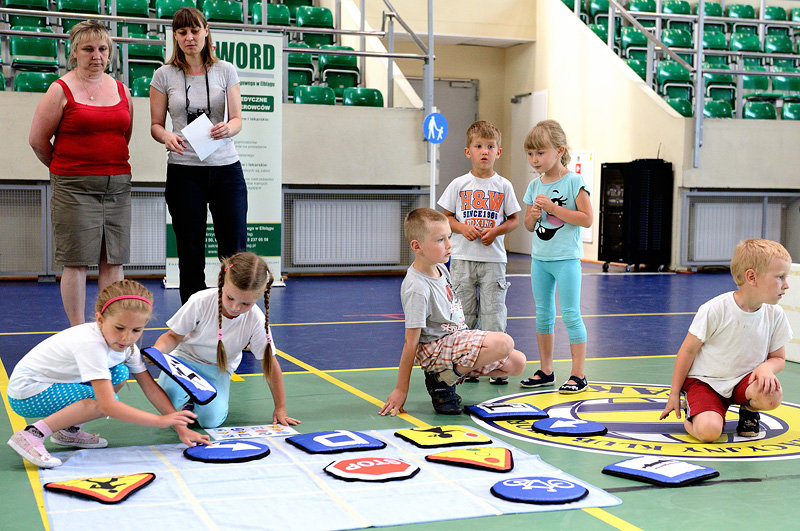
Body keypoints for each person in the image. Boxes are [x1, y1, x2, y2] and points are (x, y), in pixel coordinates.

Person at [6, 280, 210, 469]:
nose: (126, 337)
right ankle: (32, 435)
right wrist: (159, 421)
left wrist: (179, 427)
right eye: (119, 328)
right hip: (27, 393)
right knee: (101, 400)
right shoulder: (91, 344)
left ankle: (68, 431)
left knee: (120, 372)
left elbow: (150, 387)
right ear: (100, 319)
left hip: (53, 383)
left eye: (136, 330)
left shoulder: (128, 348)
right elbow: (107, 405)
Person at [28, 20, 134, 327]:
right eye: (88, 49)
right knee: (75, 263)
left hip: (117, 187)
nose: (96, 56)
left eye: (102, 49)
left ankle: (109, 326)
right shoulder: (59, 90)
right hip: (72, 187)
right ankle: (77, 330)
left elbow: (123, 136)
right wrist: (67, 170)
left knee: (113, 262)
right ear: (74, 52)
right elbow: (37, 141)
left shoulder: (121, 90)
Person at [379, 208, 526, 416]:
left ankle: (447, 375)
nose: (449, 245)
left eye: (450, 237)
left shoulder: (441, 268)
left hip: (454, 342)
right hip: (436, 349)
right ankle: (444, 380)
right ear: (417, 246)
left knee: (517, 363)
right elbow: (411, 342)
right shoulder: (417, 287)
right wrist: (401, 389)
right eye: (440, 240)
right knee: (504, 343)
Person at [150, 6, 247, 304]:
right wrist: (167, 136)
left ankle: (236, 318)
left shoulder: (226, 70)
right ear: (175, 37)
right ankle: (193, 323)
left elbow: (237, 119)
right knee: (190, 252)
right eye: (182, 32)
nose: (189, 37)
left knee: (234, 251)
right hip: (184, 170)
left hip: (225, 169)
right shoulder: (163, 75)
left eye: (195, 30)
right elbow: (155, 125)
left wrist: (227, 128)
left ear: (206, 31)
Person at [660, 239, 792, 442]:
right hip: (706, 383)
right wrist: (673, 394)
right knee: (710, 432)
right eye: (780, 277)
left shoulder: (775, 314)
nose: (786, 285)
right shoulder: (715, 309)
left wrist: (767, 368)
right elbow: (687, 352)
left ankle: (748, 410)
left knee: (772, 393)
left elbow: (778, 358)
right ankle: (693, 415)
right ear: (752, 277)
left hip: (743, 382)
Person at [153, 252, 298, 428]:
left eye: (246, 304)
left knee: (209, 421)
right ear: (222, 283)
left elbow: (269, 363)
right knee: (165, 399)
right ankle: (186, 396)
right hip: (184, 361)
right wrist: (157, 352)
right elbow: (172, 336)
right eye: (230, 298)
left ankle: (193, 403)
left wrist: (280, 408)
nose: (235, 307)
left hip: (218, 369)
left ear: (259, 297)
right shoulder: (201, 301)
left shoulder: (255, 319)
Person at [438, 120, 520, 386]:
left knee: (493, 313)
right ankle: (470, 364)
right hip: (462, 259)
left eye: (490, 146)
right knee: (463, 313)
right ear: (468, 151)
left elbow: (514, 219)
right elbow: (445, 217)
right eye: (478, 146)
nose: (484, 151)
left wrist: (496, 232)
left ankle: (496, 366)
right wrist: (462, 228)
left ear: (499, 152)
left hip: (493, 260)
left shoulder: (503, 186)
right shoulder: (459, 184)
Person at [519, 120, 592, 393]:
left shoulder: (574, 182)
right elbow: (527, 225)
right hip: (540, 260)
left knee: (571, 314)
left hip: (566, 260)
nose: (535, 159)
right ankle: (546, 369)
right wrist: (534, 215)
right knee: (543, 315)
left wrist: (552, 208)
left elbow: (586, 219)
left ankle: (578, 374)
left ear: (559, 151)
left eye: (540, 153)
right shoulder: (533, 185)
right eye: (530, 154)